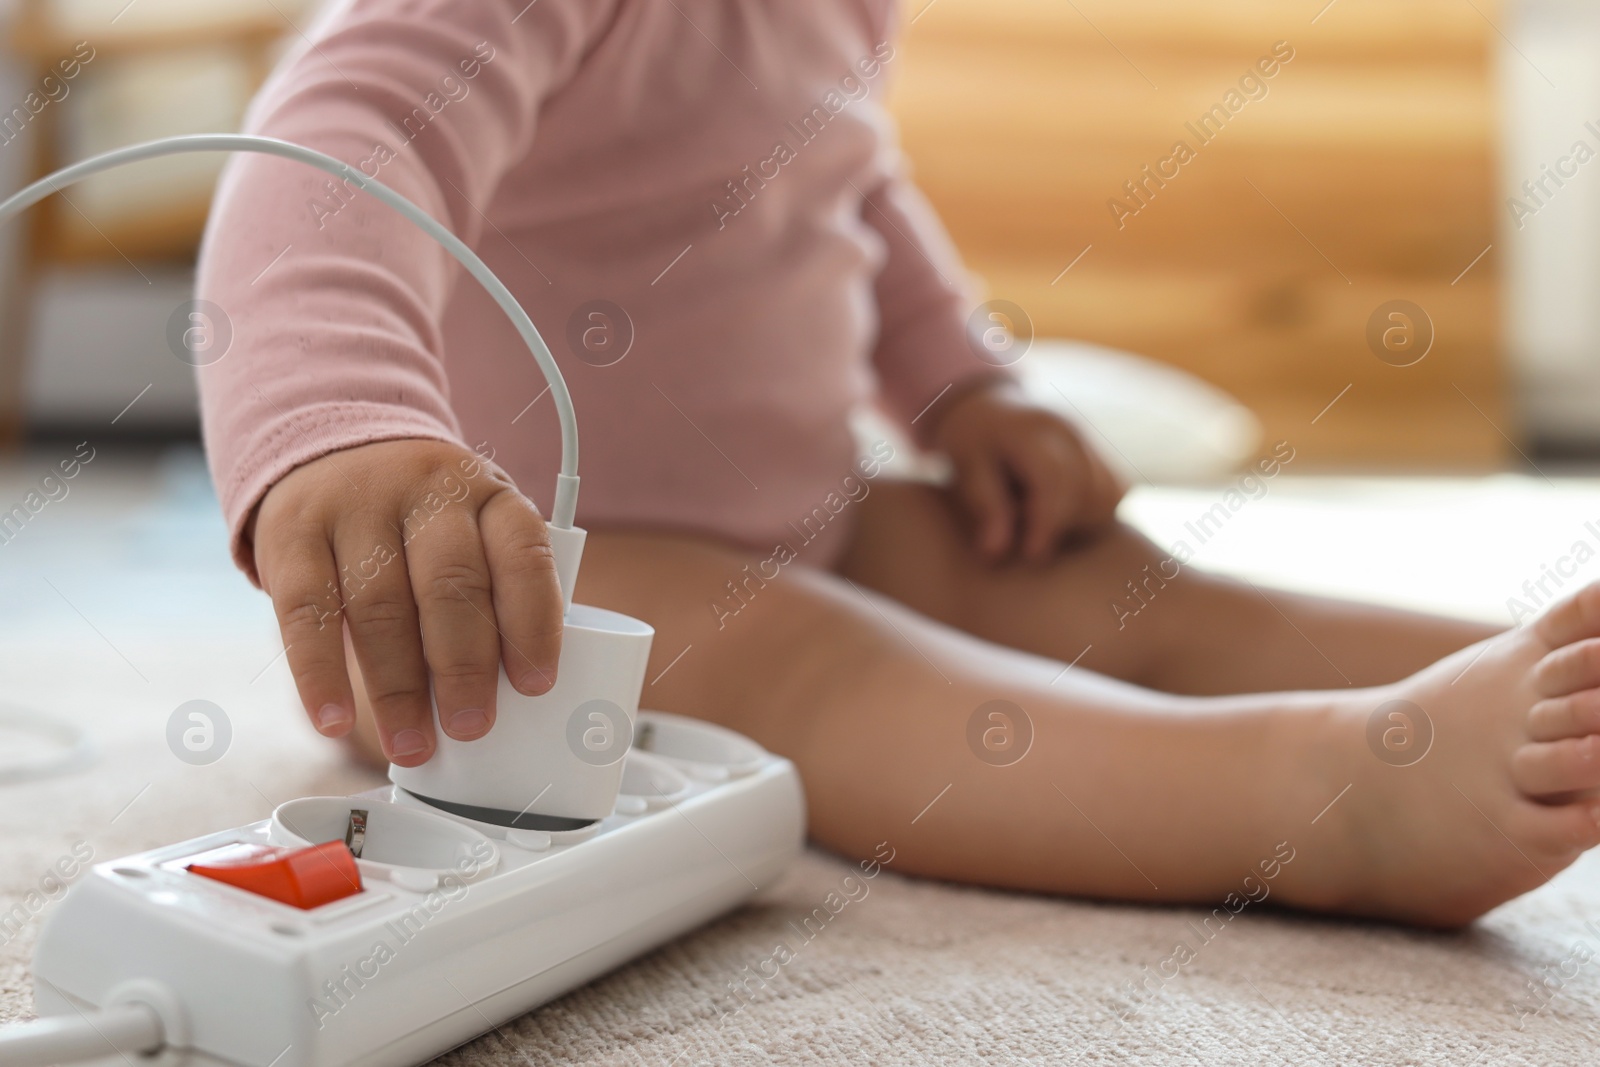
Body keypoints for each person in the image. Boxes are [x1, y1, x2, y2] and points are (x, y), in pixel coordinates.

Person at [198, 0, 1600, 928]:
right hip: (522, 591)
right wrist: (350, 431)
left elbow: (855, 191)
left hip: (805, 510)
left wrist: (968, 393)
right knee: (841, 675)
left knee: (1112, 585)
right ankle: (1331, 796)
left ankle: (1525, 659)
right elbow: (334, 143)